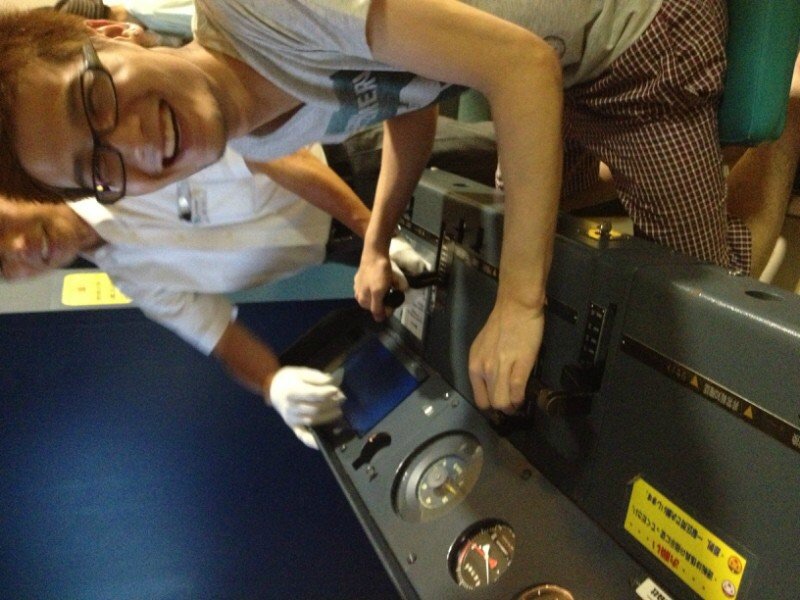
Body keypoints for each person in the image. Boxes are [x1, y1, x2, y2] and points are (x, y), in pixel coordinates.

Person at [0, 1, 762, 416]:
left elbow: (520, 65)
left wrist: (522, 302)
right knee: (512, 216)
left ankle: (776, 131)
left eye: (93, 100)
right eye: (98, 167)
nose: (133, 143)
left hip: (634, 39)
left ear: (110, 32)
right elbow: (410, 107)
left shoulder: (253, 11)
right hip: (565, 67)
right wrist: (377, 240)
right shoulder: (257, 131)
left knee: (703, 304)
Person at [0, 143, 428, 448]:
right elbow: (220, 337)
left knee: (468, 162)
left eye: (2, 226)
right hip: (348, 247)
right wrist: (273, 384)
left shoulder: (123, 162)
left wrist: (374, 234)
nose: (18, 248)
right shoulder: (132, 278)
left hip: (357, 174)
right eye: (2, 264)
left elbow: (272, 153)